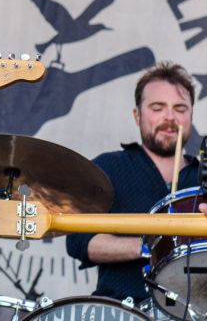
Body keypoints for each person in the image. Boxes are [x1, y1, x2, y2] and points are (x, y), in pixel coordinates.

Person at [66, 61, 201, 303]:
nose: (170, 117)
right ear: (137, 115)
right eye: (158, 108)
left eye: (180, 109)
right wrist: (154, 246)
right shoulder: (108, 168)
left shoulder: (203, 177)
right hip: (121, 310)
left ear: (191, 116)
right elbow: (78, 241)